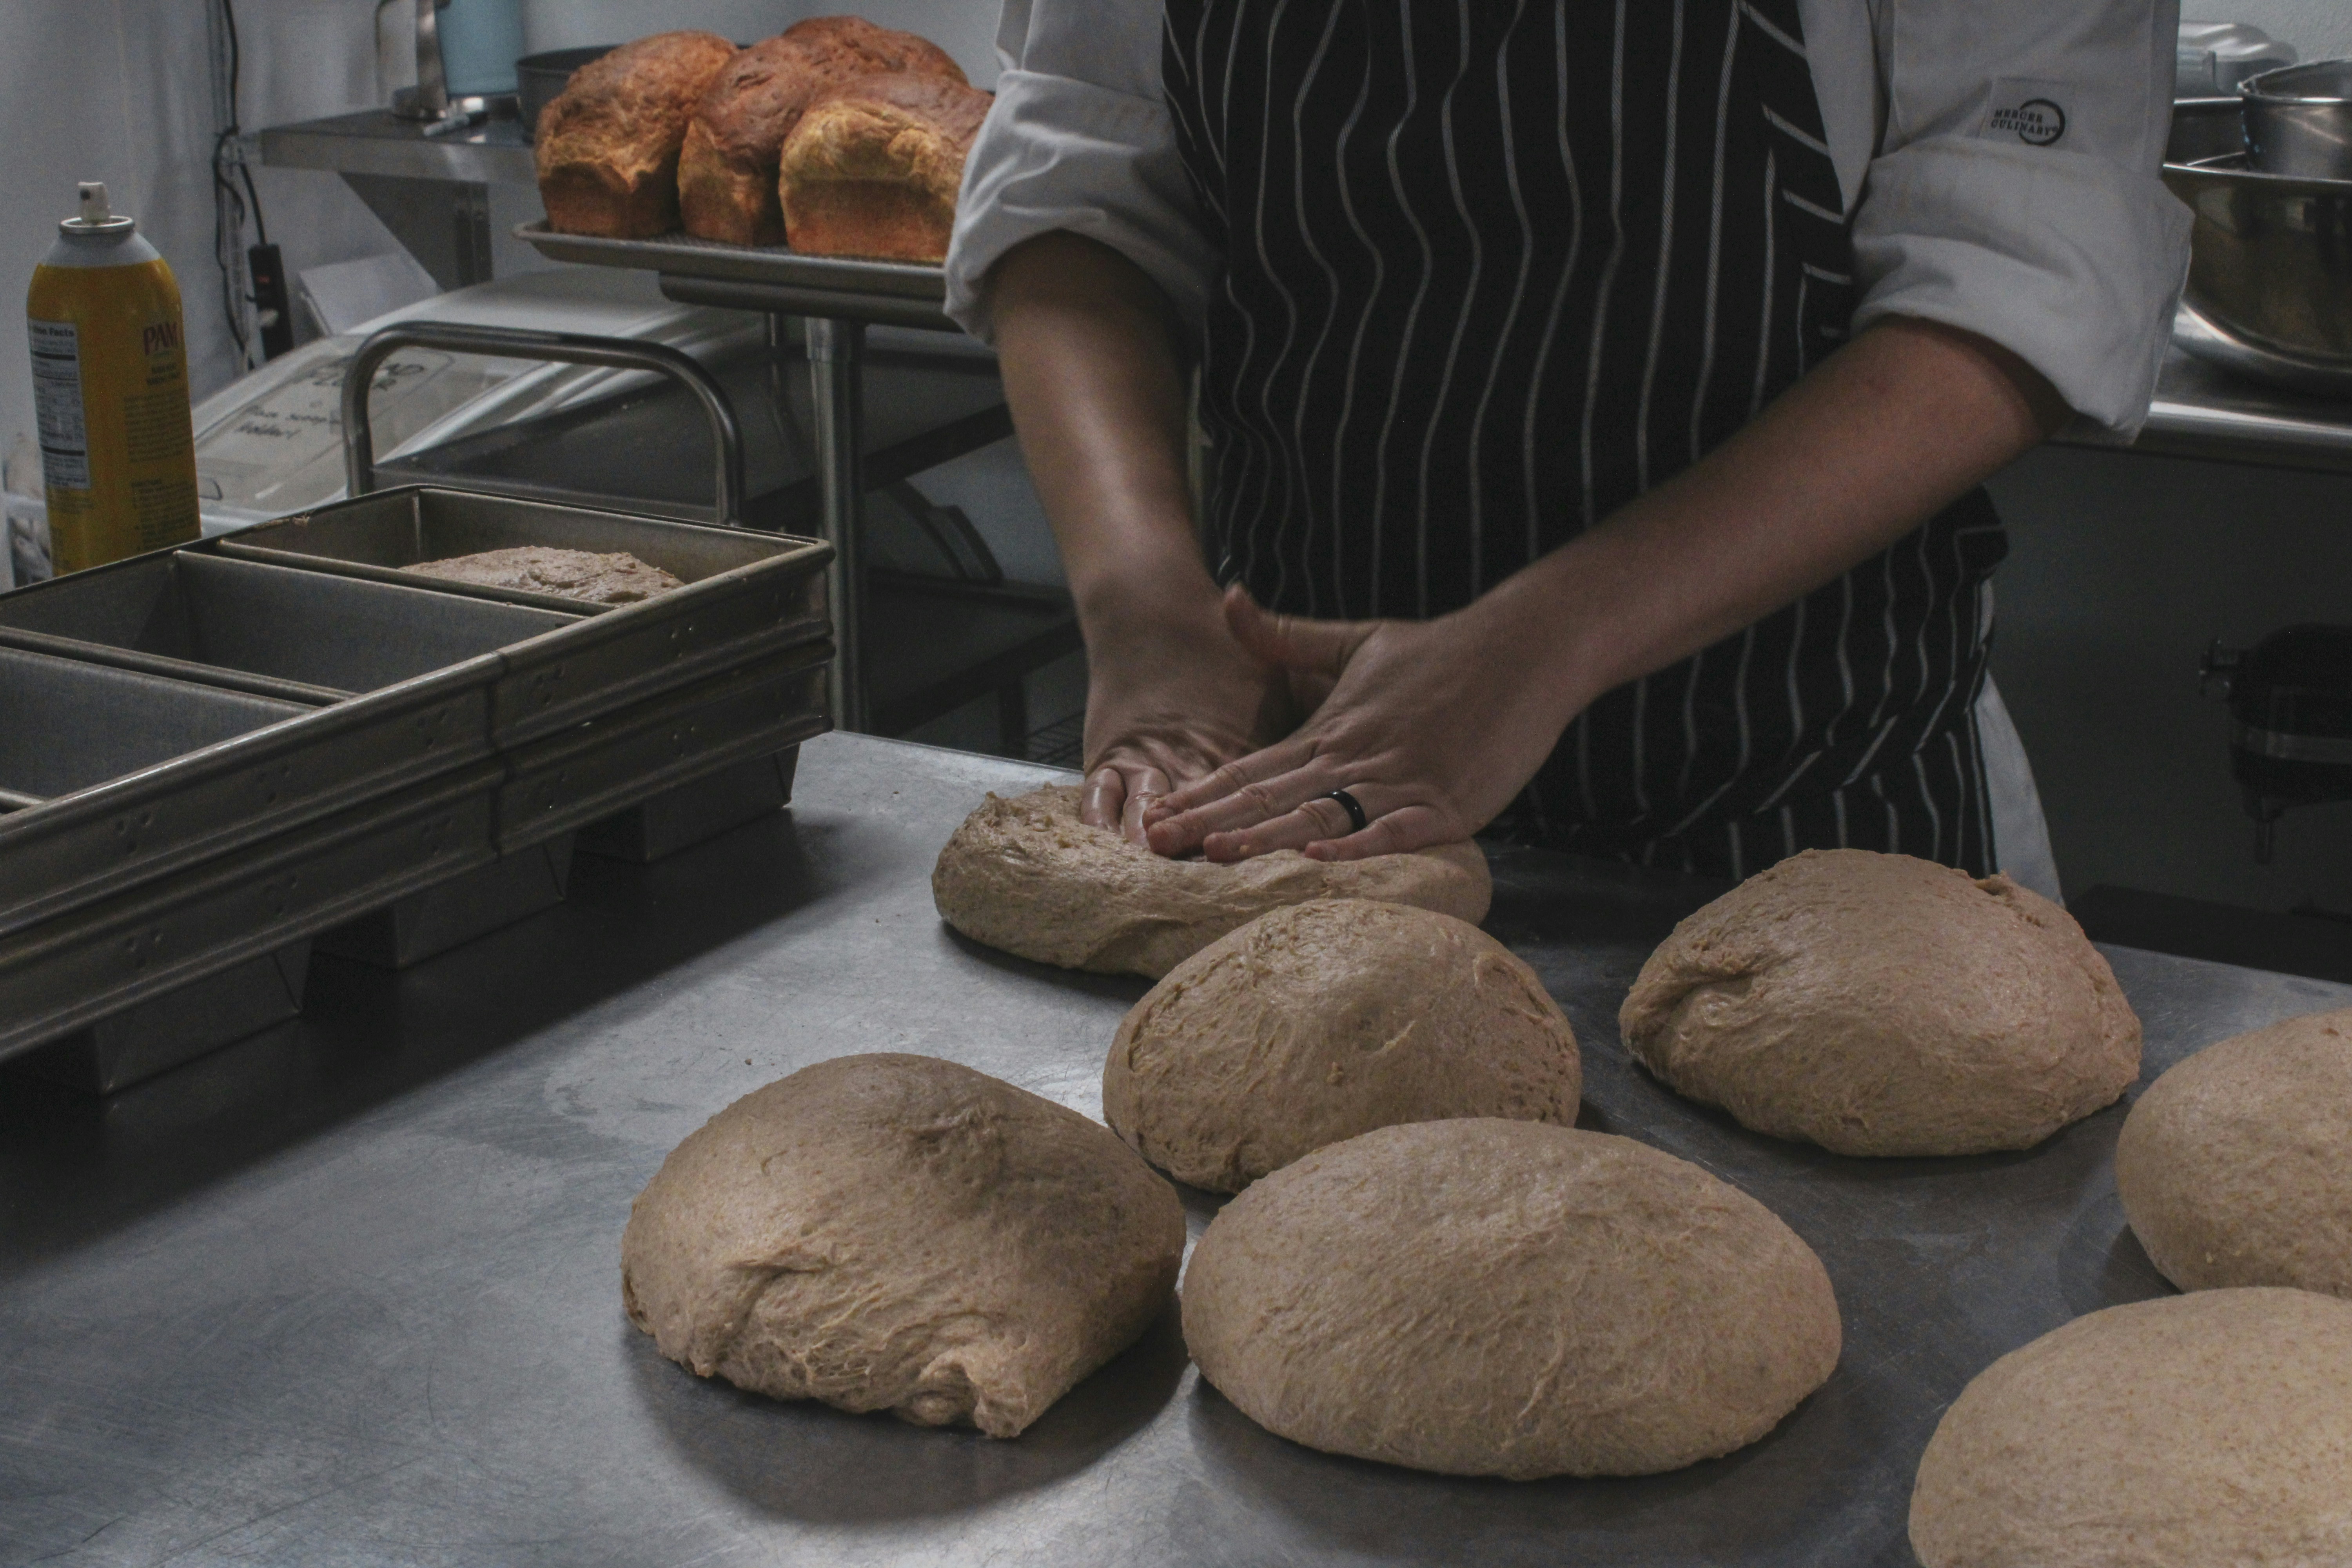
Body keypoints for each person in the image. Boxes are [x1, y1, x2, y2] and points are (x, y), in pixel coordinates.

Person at [943, 0, 2187, 890]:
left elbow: (2012, 287)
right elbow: (1083, 200)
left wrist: (1547, 639)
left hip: (1802, 808)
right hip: (1293, 810)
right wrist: (1145, 605)